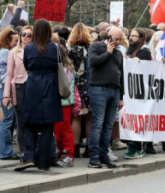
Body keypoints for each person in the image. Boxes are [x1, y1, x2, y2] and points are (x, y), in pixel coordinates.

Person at [13, 19, 63, 172]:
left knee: (29, 122)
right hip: (50, 85)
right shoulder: (55, 48)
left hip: (33, 85)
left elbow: (27, 65)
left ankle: (28, 156)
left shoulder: (28, 49)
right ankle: (44, 161)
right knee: (47, 126)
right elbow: (59, 65)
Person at [87, 27, 125, 169]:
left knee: (108, 125)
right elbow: (93, 63)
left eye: (120, 39)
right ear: (108, 37)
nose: (118, 42)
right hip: (99, 89)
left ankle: (104, 154)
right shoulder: (96, 47)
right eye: (116, 39)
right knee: (98, 123)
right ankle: (94, 157)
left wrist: (121, 96)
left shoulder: (118, 54)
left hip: (114, 91)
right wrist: (107, 53)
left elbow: (121, 75)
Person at [124, 28, 155, 159]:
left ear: (141, 38)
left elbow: (145, 68)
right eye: (130, 35)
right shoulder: (129, 51)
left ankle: (138, 147)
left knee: (138, 119)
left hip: (141, 92)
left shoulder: (144, 52)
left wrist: (136, 61)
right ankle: (132, 145)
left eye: (134, 36)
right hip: (129, 92)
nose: (131, 38)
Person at [3, 25, 32, 165]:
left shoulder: (37, 50)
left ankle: (33, 151)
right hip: (19, 87)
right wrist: (6, 94)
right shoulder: (14, 52)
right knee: (21, 122)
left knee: (33, 121)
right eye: (24, 34)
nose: (26, 37)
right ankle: (24, 152)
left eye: (29, 35)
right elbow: (9, 74)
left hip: (33, 87)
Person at [66, 23, 92, 158]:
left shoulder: (70, 50)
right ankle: (89, 147)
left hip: (75, 86)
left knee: (76, 118)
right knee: (89, 118)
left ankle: (75, 148)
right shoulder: (92, 49)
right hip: (89, 85)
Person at [0, 28, 19, 161]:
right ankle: (5, 151)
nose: (17, 43)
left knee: (5, 120)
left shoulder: (2, 52)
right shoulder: (5, 53)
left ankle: (2, 150)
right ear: (7, 41)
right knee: (7, 120)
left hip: (4, 89)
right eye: (15, 41)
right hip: (6, 90)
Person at [54, 35, 76, 168]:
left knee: (63, 129)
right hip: (65, 102)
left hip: (63, 103)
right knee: (61, 129)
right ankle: (61, 153)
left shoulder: (64, 69)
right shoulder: (69, 66)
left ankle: (68, 154)